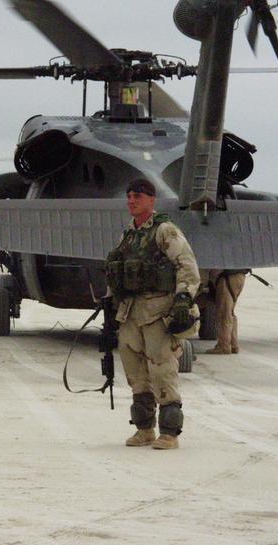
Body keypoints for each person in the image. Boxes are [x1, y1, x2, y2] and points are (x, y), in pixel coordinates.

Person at [104, 178, 201, 450]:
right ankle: (145, 429)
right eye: (129, 196)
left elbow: (187, 267)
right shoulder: (129, 235)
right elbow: (117, 272)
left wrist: (183, 299)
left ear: (151, 200)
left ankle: (169, 433)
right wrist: (110, 308)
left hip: (158, 311)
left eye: (137, 196)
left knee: (162, 370)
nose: (131, 200)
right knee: (136, 374)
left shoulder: (164, 231)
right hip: (131, 313)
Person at [202, 269, 247, 354]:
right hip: (239, 276)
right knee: (230, 311)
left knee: (224, 313)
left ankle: (223, 346)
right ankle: (233, 344)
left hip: (227, 277)